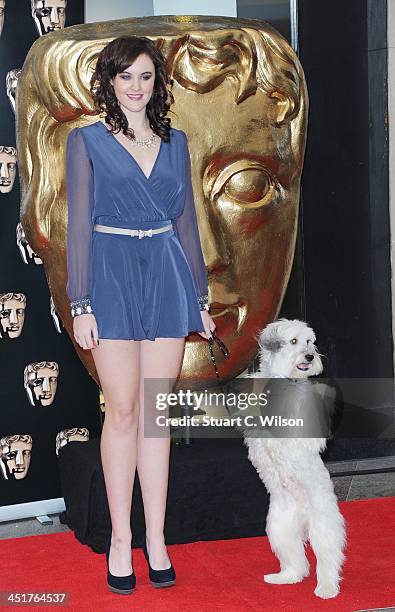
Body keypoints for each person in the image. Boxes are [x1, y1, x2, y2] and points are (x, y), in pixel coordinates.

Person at [65, 35, 216, 594]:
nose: (135, 87)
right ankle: (119, 540)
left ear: (157, 83)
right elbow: (76, 226)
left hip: (168, 278)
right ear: (108, 83)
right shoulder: (85, 142)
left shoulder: (176, 142)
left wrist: (200, 298)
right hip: (109, 276)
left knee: (156, 414)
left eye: (145, 77)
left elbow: (187, 225)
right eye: (125, 76)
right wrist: (80, 302)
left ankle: (157, 538)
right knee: (123, 410)